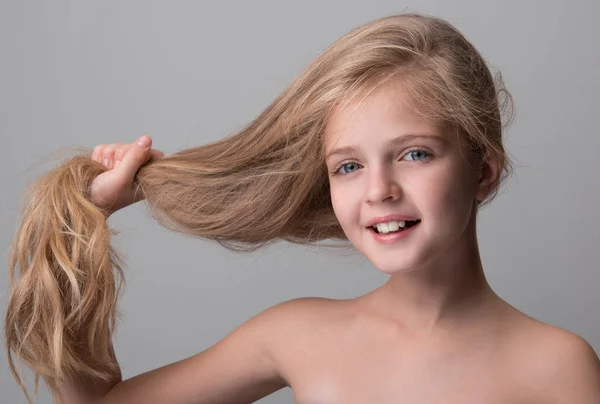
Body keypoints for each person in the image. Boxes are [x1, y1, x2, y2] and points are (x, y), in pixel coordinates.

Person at [5, 12, 600, 404]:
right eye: (348, 165)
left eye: (415, 153)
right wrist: (78, 223)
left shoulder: (559, 367)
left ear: (484, 171)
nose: (378, 190)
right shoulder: (297, 334)